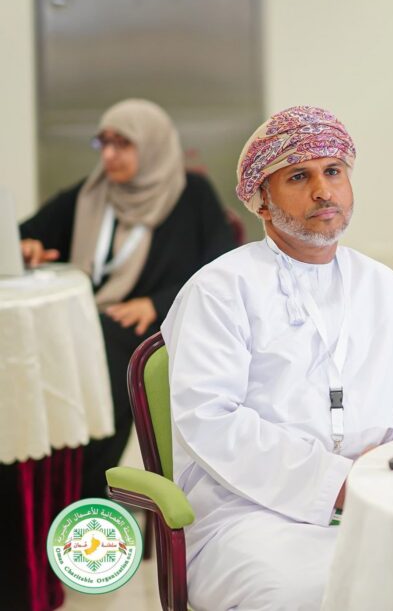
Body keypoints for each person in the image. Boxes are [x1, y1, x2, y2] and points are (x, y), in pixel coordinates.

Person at [163, 105, 393, 610]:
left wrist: (385, 466)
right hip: (249, 512)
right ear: (262, 201)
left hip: (379, 499)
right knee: (303, 591)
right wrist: (334, 483)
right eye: (299, 176)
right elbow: (209, 419)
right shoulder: (221, 289)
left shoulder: (383, 285)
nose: (323, 191)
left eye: (333, 172)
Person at [18, 98, 235, 498]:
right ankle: (37, 486)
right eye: (104, 143)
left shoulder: (192, 195)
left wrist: (156, 303)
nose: (110, 155)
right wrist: (26, 246)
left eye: (123, 143)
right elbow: (23, 234)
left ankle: (82, 490)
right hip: (91, 322)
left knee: (100, 355)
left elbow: (221, 268)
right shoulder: (93, 193)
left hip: (157, 326)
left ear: (152, 144)